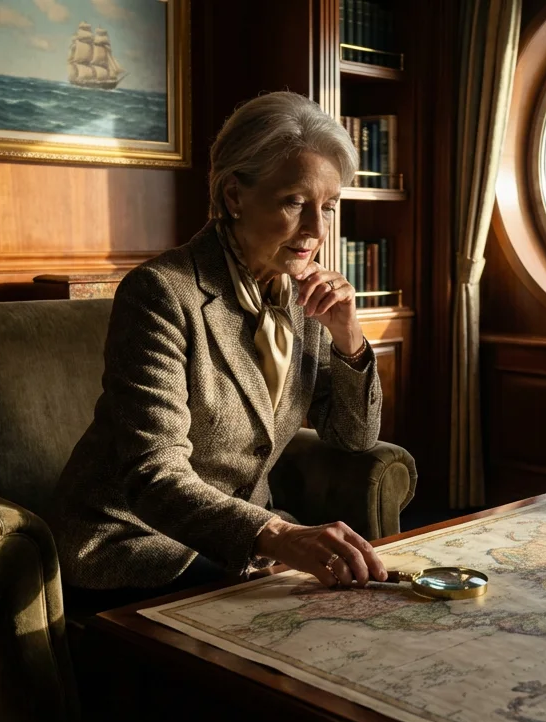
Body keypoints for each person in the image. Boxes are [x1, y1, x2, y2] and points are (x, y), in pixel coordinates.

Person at [49, 91, 387, 613]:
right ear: (234, 196)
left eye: (327, 207)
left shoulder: (304, 296)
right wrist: (275, 536)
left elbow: (353, 437)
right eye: (295, 202)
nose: (317, 232)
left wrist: (349, 336)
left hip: (232, 540)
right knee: (286, 617)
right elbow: (154, 474)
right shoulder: (161, 292)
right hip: (135, 539)